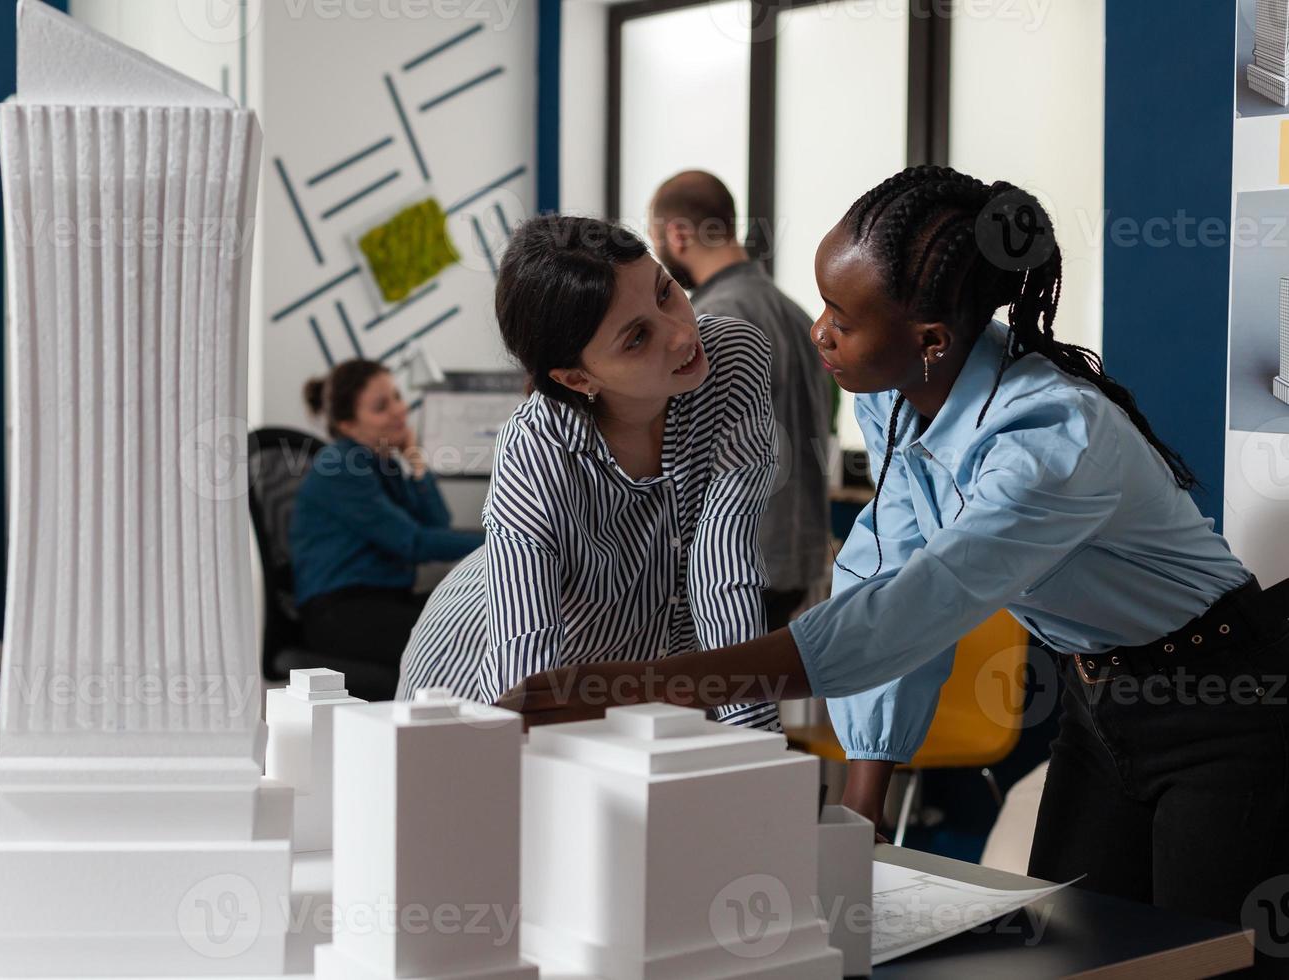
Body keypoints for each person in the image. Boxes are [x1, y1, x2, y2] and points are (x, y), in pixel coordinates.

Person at [499, 166, 1288, 938]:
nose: (818, 333)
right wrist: (861, 805)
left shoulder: (1052, 440)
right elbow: (889, 564)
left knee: (1211, 957)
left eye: (842, 317)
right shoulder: (896, 395)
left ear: (931, 339)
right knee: (1076, 954)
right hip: (1098, 700)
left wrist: (629, 686)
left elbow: (915, 607)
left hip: (1223, 699)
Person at [397, 214, 781, 730]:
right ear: (578, 377)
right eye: (637, 338)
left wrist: (754, 743)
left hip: (633, 685)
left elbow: (723, 566)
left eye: (665, 293)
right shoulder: (537, 448)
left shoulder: (732, 359)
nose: (680, 333)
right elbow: (524, 656)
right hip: (473, 671)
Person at [649, 170, 832, 628]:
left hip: (735, 563)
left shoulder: (710, 321)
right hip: (795, 559)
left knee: (694, 698)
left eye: (656, 240)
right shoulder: (795, 313)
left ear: (677, 234)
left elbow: (684, 454)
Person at [289, 359, 483, 698]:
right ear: (348, 425)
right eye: (382, 407)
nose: (399, 410)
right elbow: (413, 544)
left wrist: (416, 460)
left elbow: (437, 523)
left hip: (383, 602)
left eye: (396, 396)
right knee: (456, 638)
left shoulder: (384, 462)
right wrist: (500, 540)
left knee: (470, 615)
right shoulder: (340, 466)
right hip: (340, 612)